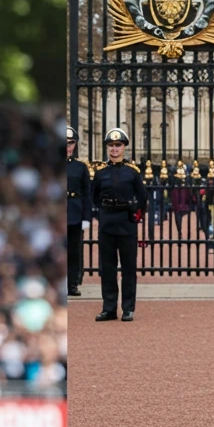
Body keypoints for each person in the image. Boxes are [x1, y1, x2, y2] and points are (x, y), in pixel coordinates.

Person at [92, 128, 146, 322]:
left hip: (126, 223)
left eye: (118, 145)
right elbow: (95, 197)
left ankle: (128, 308)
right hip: (107, 222)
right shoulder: (100, 173)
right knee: (107, 268)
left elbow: (142, 198)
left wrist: (135, 216)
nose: (114, 149)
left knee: (128, 268)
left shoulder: (132, 173)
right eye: (111, 146)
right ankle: (109, 308)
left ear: (124, 148)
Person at [67, 126, 92, 297]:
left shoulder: (80, 167)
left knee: (74, 250)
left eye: (70, 143)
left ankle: (72, 284)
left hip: (75, 211)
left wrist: (86, 217)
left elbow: (87, 193)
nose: (68, 146)